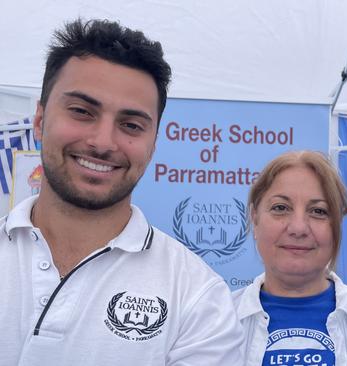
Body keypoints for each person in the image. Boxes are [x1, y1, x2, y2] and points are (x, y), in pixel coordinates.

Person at [0, 19, 243, 365]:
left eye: (131, 125)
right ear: (39, 120)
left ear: (153, 144)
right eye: (82, 112)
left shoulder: (197, 297)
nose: (102, 143)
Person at [232, 150, 347, 366]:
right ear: (254, 217)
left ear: (337, 226)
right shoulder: (218, 319)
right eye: (280, 208)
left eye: (318, 211)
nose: (298, 228)